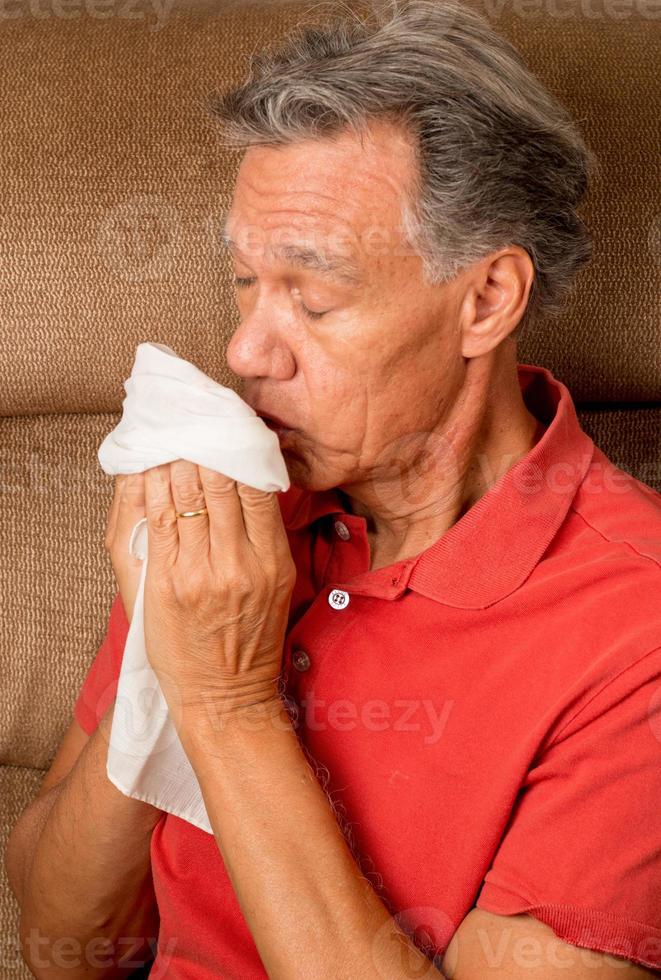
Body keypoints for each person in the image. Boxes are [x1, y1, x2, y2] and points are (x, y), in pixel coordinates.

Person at [7, 1, 661, 977]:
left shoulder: (633, 626)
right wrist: (162, 662)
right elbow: (65, 945)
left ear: (486, 298)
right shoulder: (232, 507)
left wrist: (227, 704)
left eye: (312, 299)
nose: (244, 352)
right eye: (242, 282)